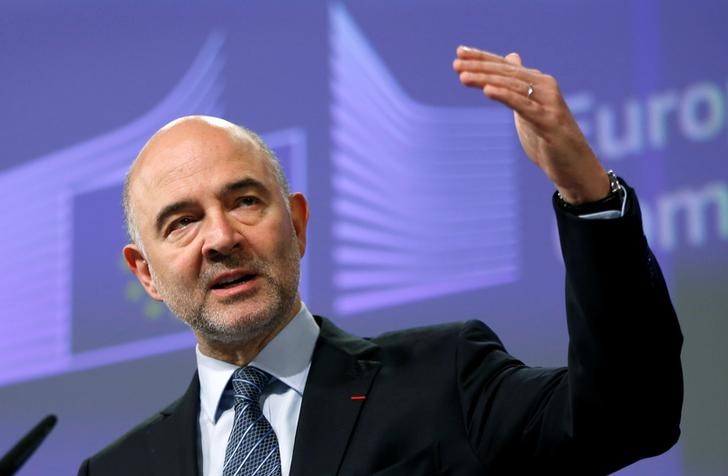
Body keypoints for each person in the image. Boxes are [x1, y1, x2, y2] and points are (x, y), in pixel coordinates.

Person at [78, 46, 683, 475]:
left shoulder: (441, 379)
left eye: (244, 201)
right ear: (146, 273)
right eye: (182, 222)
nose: (220, 237)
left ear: (297, 223)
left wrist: (588, 198)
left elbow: (629, 419)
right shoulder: (117, 469)